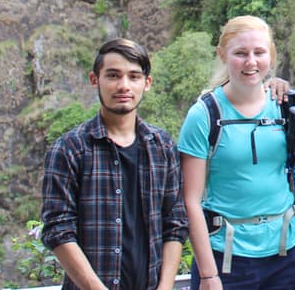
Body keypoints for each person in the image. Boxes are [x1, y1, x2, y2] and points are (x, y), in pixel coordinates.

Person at [178, 16, 295, 290]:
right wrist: (208, 275)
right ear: (222, 55)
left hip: (286, 255)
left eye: (259, 52)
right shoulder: (204, 115)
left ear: (272, 54)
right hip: (225, 258)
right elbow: (191, 200)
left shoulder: (286, 109)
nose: (251, 62)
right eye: (240, 53)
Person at [41, 38, 189, 290]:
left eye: (134, 77)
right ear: (94, 79)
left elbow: (174, 223)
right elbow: (58, 229)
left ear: (147, 83)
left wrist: (165, 287)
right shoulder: (69, 149)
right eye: (113, 75)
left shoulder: (161, 145)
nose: (124, 86)